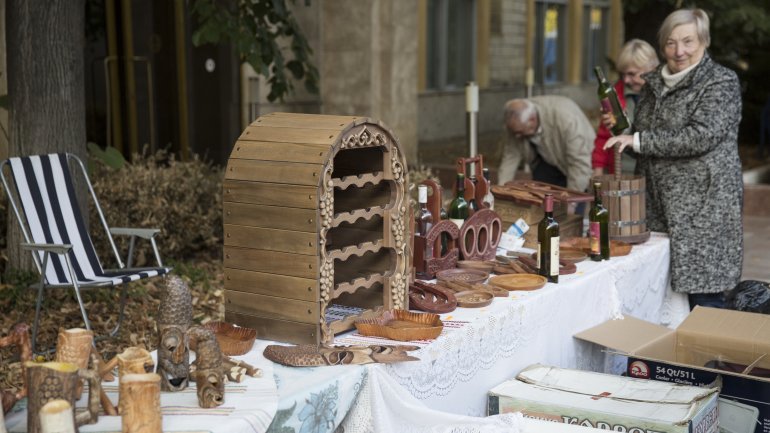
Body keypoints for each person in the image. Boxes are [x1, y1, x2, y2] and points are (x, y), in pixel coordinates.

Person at [604, 8, 743, 309]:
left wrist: (638, 140)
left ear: (704, 41)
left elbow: (700, 136)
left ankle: (708, 358)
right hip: (656, 208)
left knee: (705, 301)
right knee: (659, 300)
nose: (679, 51)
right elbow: (646, 138)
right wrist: (622, 133)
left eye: (688, 41)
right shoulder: (654, 83)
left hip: (703, 212)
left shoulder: (720, 82)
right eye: (670, 42)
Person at [498, 95, 595, 195]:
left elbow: (579, 163)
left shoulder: (566, 119)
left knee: (574, 200)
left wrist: (572, 199)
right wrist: (500, 190)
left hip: (574, 162)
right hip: (546, 162)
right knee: (542, 201)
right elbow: (510, 157)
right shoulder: (517, 122)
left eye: (520, 132)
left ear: (532, 120)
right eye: (515, 133)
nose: (517, 137)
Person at [592, 39, 660, 177]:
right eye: (623, 74)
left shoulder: (664, 94)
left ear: (650, 68)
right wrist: (597, 171)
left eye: (632, 74)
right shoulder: (615, 93)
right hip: (620, 171)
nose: (626, 80)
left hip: (653, 174)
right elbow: (603, 136)